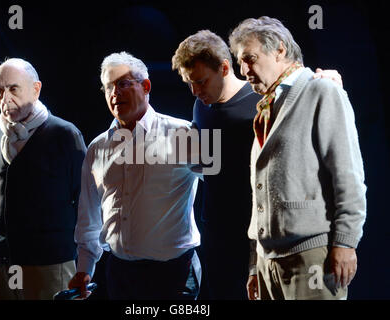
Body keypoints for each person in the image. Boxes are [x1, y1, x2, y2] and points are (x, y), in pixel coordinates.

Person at [171, 30, 344, 300]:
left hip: (260, 235)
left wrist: (331, 85)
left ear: (225, 68)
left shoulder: (261, 102)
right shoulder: (200, 106)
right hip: (216, 233)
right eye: (189, 84)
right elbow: (212, 168)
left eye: (201, 82)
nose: (196, 91)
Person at [228, 16, 366, 300]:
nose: (244, 71)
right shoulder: (266, 107)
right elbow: (260, 194)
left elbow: (348, 177)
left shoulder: (321, 90)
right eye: (240, 62)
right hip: (269, 261)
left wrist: (346, 243)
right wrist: (255, 265)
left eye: (250, 59)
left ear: (279, 50)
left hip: (311, 258)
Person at [68, 51, 202, 300]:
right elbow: (89, 216)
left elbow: (229, 187)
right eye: (108, 87)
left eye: (123, 83)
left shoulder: (184, 134)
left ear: (146, 86)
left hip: (175, 275)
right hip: (120, 274)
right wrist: (84, 268)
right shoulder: (97, 148)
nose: (114, 93)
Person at [0, 58, 86, 299]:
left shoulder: (64, 134)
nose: (5, 98)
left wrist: (84, 264)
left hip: (49, 261)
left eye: (13, 88)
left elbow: (83, 201)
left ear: (36, 89)